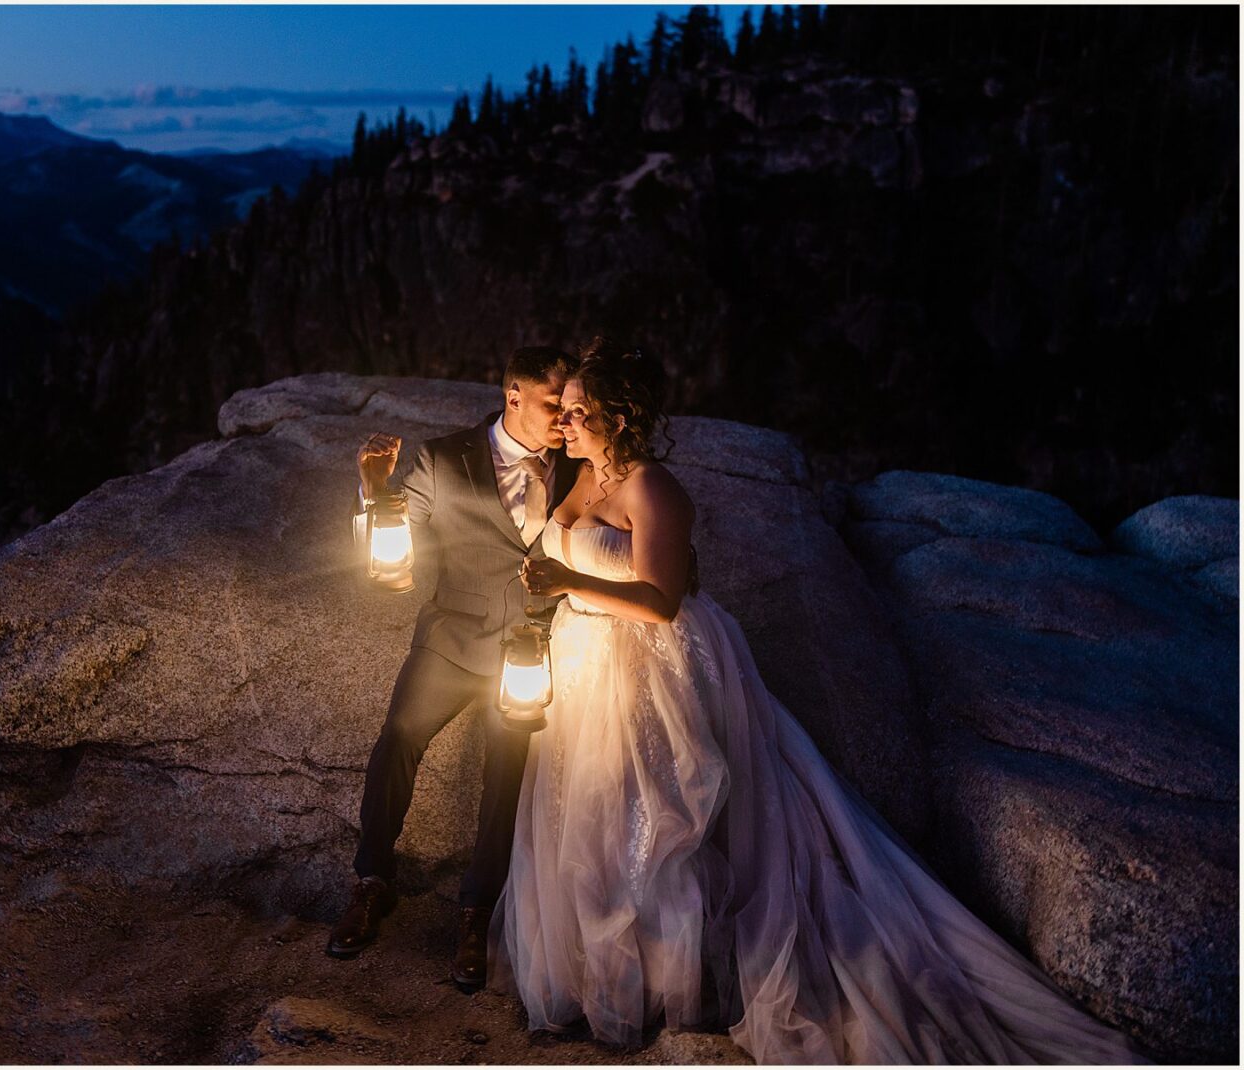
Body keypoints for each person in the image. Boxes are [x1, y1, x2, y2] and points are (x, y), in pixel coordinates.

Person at [488, 338, 1150, 1063]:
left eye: (580, 411)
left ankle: (667, 979)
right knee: (586, 815)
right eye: (567, 410)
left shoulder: (653, 489)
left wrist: (565, 584)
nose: (567, 423)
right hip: (586, 668)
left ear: (617, 417)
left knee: (655, 820)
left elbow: (662, 601)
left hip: (652, 668)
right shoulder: (577, 479)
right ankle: (601, 979)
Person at [330, 345, 580, 988]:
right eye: (553, 404)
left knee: (507, 776)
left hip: (532, 650)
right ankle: (370, 881)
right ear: (513, 396)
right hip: (450, 638)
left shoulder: (580, 464)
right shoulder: (444, 458)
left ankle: (476, 911)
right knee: (398, 739)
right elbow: (394, 555)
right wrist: (374, 487)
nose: (564, 417)